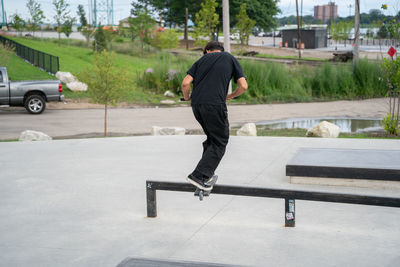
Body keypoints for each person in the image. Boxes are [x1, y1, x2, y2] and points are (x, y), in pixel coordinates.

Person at [181, 41, 248, 191]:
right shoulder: (229, 58)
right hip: (215, 105)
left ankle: (207, 174)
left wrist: (187, 97)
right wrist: (231, 96)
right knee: (220, 141)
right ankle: (198, 176)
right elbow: (243, 86)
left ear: (207, 51)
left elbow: (185, 83)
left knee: (212, 139)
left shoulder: (200, 61)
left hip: (197, 106)